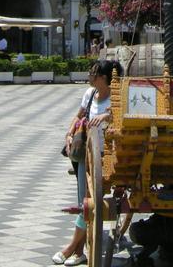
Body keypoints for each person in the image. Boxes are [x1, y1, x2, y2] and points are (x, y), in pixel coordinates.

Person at [54, 59, 124, 267]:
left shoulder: (116, 97)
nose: (89, 75)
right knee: (85, 201)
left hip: (107, 155)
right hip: (87, 154)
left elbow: (120, 118)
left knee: (87, 202)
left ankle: (72, 248)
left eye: (93, 72)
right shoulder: (90, 94)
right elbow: (78, 117)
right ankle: (78, 250)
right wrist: (69, 133)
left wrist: (106, 115)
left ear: (103, 78)